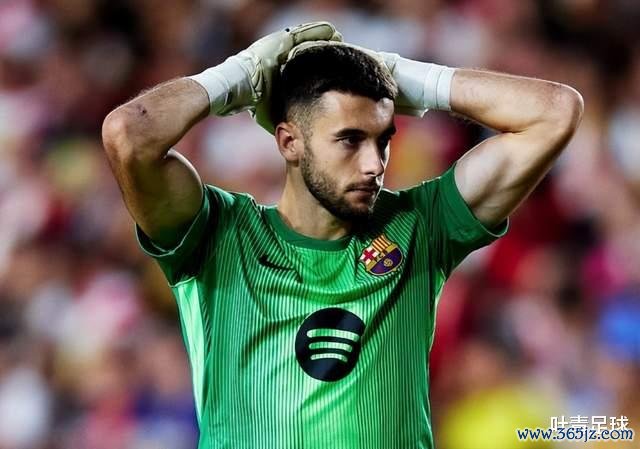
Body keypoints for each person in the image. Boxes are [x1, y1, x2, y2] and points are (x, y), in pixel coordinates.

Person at [101, 21, 583, 449]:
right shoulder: (218, 236)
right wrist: (237, 76)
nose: (374, 164)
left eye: (382, 140)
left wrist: (404, 77)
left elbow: (555, 111)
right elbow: (128, 135)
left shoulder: (420, 226)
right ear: (289, 141)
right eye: (350, 139)